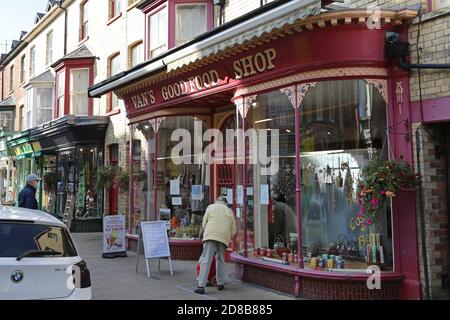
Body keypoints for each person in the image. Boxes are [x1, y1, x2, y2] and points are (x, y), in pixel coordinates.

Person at [195, 196, 236, 295]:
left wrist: (205, 232)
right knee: (221, 259)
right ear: (226, 203)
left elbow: (204, 223)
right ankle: (220, 283)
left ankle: (201, 286)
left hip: (210, 235)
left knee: (206, 260)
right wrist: (229, 238)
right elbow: (234, 230)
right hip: (223, 237)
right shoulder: (230, 211)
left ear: (217, 201)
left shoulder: (210, 207)